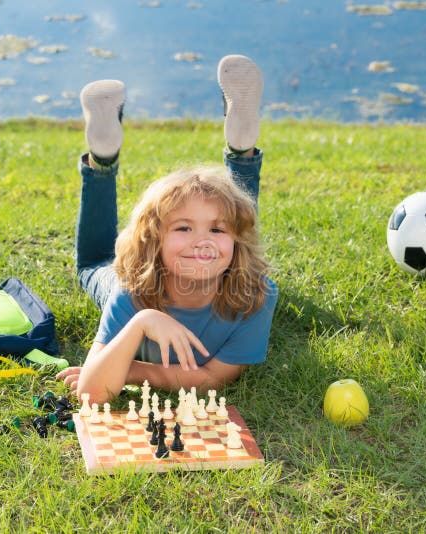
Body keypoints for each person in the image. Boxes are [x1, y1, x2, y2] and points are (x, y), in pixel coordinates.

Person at [56, 55, 278, 404]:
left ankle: (104, 162)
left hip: (234, 270)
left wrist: (130, 369)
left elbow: (210, 380)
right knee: (96, 263)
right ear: (152, 242)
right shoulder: (129, 292)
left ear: (236, 246)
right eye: (184, 228)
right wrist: (144, 320)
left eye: (217, 232)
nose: (202, 241)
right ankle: (103, 161)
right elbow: (93, 393)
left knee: (238, 215)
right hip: (141, 278)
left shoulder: (256, 295)